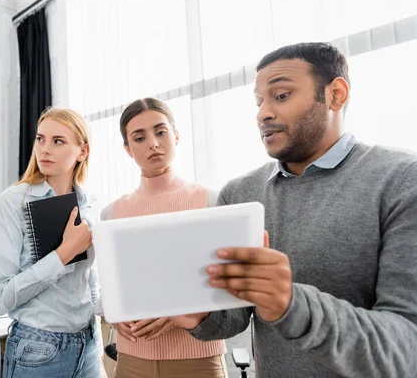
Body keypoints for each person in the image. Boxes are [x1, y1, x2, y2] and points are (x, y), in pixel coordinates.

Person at [173, 42, 417, 377]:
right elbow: (234, 314)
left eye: (281, 95)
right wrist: (197, 314)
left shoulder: (403, 180)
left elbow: (407, 345)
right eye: (259, 102)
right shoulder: (240, 193)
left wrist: (290, 305)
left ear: (336, 95)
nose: (263, 113)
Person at [101, 97, 229, 378]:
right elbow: (112, 285)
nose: (153, 143)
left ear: (176, 136)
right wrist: (113, 311)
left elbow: (225, 282)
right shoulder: (111, 213)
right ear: (127, 149)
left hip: (198, 357)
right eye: (139, 137)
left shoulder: (210, 200)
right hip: (132, 357)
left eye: (160, 132)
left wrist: (177, 312)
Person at [0, 107, 105, 378]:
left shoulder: (90, 204)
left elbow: (90, 279)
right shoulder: (14, 201)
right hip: (38, 350)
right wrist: (63, 254)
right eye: (40, 139)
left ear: (82, 151)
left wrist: (107, 325)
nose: (44, 149)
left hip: (87, 344)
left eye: (57, 141)